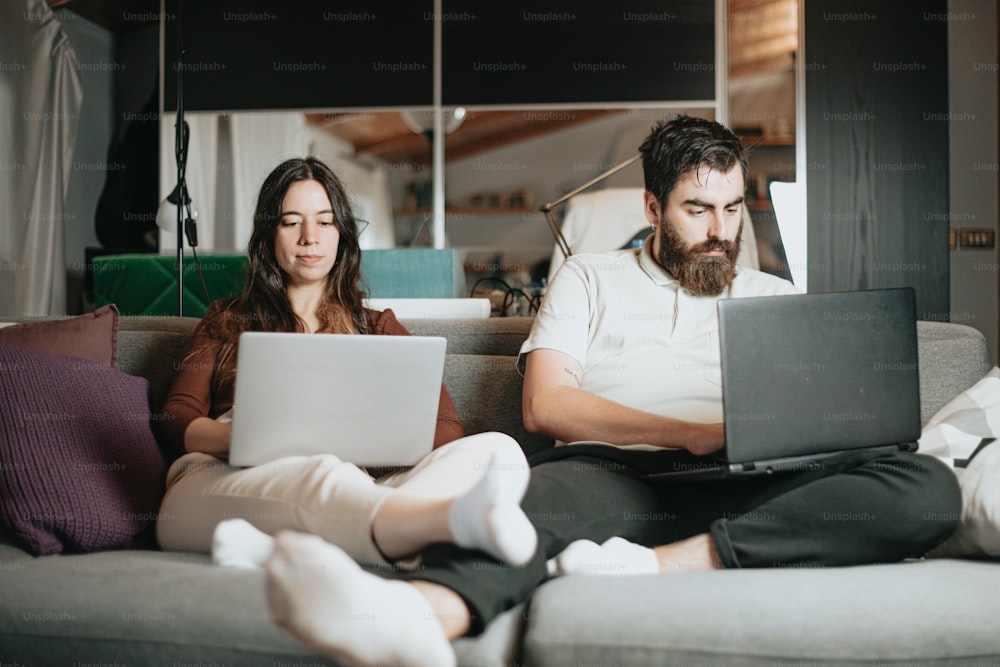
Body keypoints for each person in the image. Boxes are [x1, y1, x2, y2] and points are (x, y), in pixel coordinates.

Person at [254, 117, 962, 667]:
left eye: (732, 208)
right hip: (618, 473)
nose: (720, 233)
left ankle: (663, 563)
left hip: (750, 478)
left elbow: (819, 413)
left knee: (929, 485)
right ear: (653, 207)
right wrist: (682, 430)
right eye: (696, 210)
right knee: (521, 508)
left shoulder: (771, 291)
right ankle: (414, 617)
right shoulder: (590, 276)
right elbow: (547, 405)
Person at [153, 157, 537, 642]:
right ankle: (443, 524)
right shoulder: (225, 320)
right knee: (321, 473)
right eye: (291, 222)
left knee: (496, 451)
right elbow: (173, 415)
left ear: (342, 236)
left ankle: (284, 550)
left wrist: (358, 441)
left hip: (359, 482)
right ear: (269, 236)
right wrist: (232, 437)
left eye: (325, 222)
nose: (309, 237)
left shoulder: (377, 326)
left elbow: (446, 432)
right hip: (220, 483)